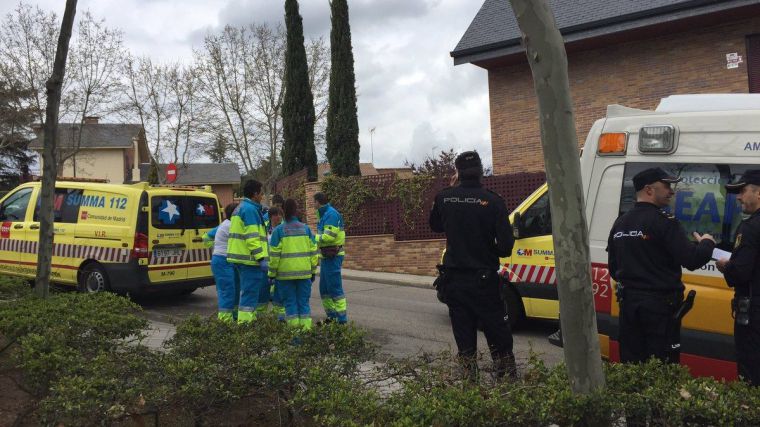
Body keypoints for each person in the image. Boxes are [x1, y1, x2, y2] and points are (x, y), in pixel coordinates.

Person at [607, 167, 715, 364]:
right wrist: (707, 243)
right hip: (659, 309)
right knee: (661, 365)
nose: (671, 191)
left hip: (629, 305)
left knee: (632, 364)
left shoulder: (620, 223)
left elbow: (614, 268)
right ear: (649, 190)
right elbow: (692, 260)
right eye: (666, 186)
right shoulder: (664, 222)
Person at [428, 150, 516, 380]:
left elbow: (435, 226)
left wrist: (451, 191)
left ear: (457, 172)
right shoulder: (494, 201)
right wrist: (489, 250)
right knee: (499, 341)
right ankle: (507, 386)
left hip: (455, 282)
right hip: (484, 282)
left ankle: (470, 390)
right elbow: (506, 246)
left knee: (465, 346)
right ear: (480, 172)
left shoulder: (444, 197)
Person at [716, 169, 760, 385]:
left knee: (750, 376)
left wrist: (726, 267)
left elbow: (741, 272)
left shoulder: (751, 227)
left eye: (743, 191)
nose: (739, 197)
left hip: (753, 314)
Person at [268, 199, 319, 330]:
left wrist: (271, 274)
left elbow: (274, 257)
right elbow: (314, 253)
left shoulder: (278, 231)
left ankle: (295, 337)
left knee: (290, 305)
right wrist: (312, 271)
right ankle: (306, 334)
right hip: (304, 274)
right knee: (304, 304)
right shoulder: (306, 229)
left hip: (284, 277)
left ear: (283, 211)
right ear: (296, 210)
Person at [226, 179, 269, 323]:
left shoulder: (241, 208)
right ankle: (246, 327)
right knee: (250, 295)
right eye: (261, 193)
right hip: (249, 259)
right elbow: (252, 238)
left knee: (245, 293)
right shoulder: (250, 210)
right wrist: (261, 258)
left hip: (239, 258)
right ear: (255, 194)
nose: (262, 196)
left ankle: (245, 323)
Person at [313, 192, 348, 323]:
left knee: (334, 288)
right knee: (324, 290)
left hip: (333, 256)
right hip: (327, 256)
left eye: (314, 202)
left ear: (318, 202)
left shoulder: (331, 214)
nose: (313, 205)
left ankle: (341, 320)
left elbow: (329, 237)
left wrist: (312, 238)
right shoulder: (324, 214)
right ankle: (332, 317)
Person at [203, 203, 241, 322]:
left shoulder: (226, 224)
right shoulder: (230, 225)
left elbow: (206, 237)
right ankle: (225, 321)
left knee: (235, 288)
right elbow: (205, 238)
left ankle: (234, 314)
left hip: (230, 260)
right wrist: (218, 248)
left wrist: (216, 245)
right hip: (222, 261)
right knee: (227, 291)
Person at [266, 206, 285, 320]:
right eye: (276, 214)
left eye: (280, 214)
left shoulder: (283, 228)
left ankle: (280, 318)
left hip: (280, 262)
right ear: (270, 216)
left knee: (277, 293)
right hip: (267, 261)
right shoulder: (265, 228)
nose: (278, 217)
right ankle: (275, 315)